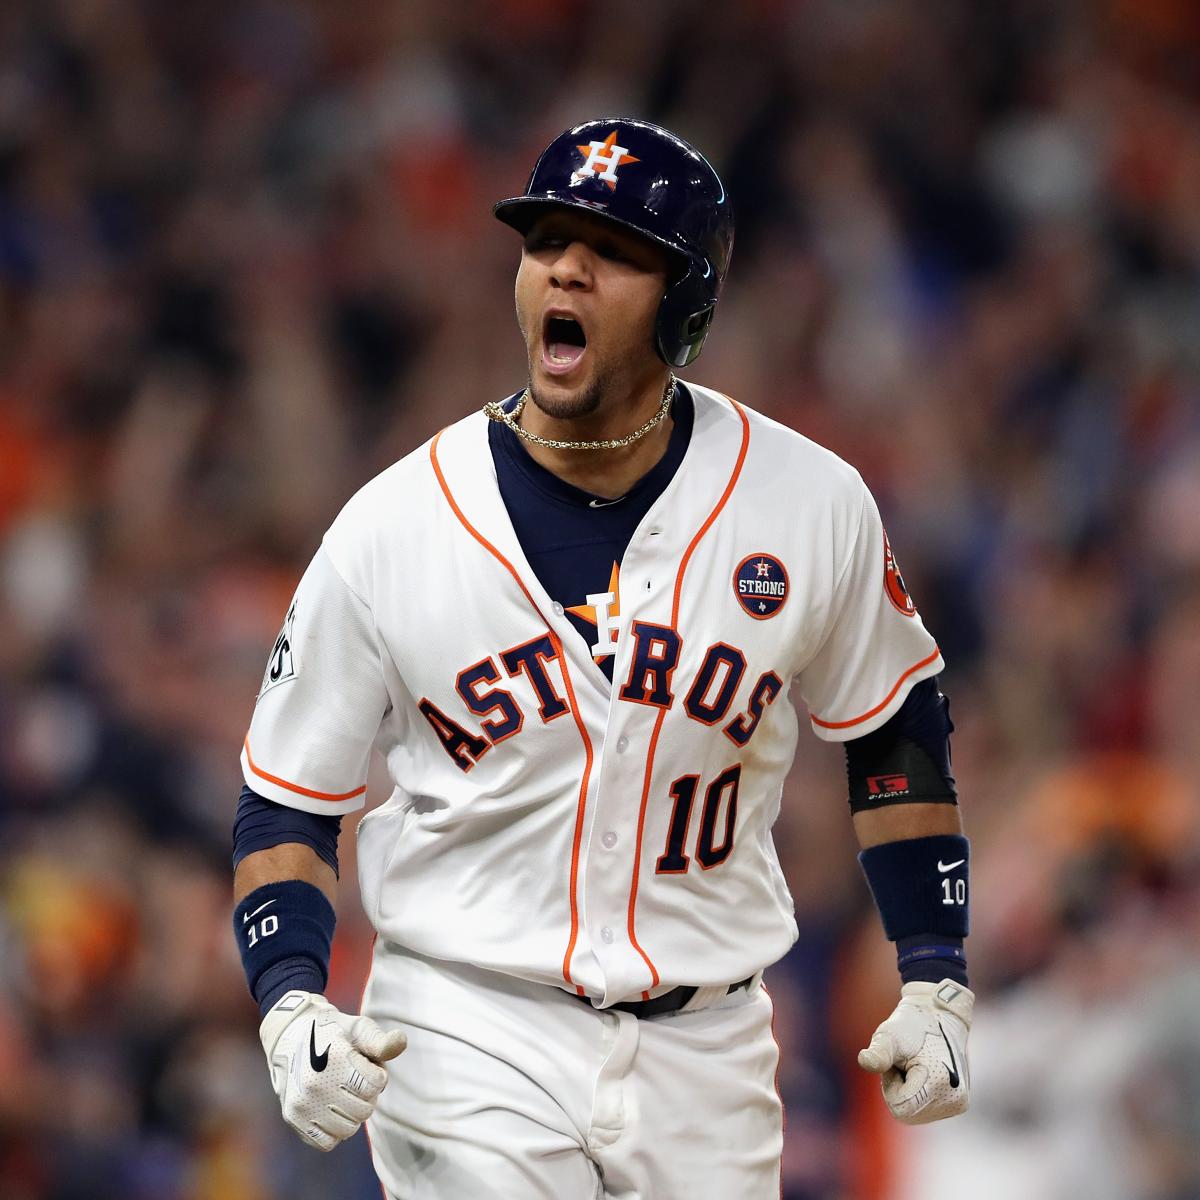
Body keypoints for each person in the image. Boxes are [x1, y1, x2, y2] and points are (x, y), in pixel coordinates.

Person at [232, 117, 974, 1199]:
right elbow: (287, 797)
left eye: (615, 251)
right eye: (543, 242)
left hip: (709, 1048)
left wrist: (936, 975)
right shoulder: (392, 527)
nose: (564, 267)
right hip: (465, 1019)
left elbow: (896, 731)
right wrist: (291, 994)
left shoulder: (810, 502)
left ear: (688, 304)